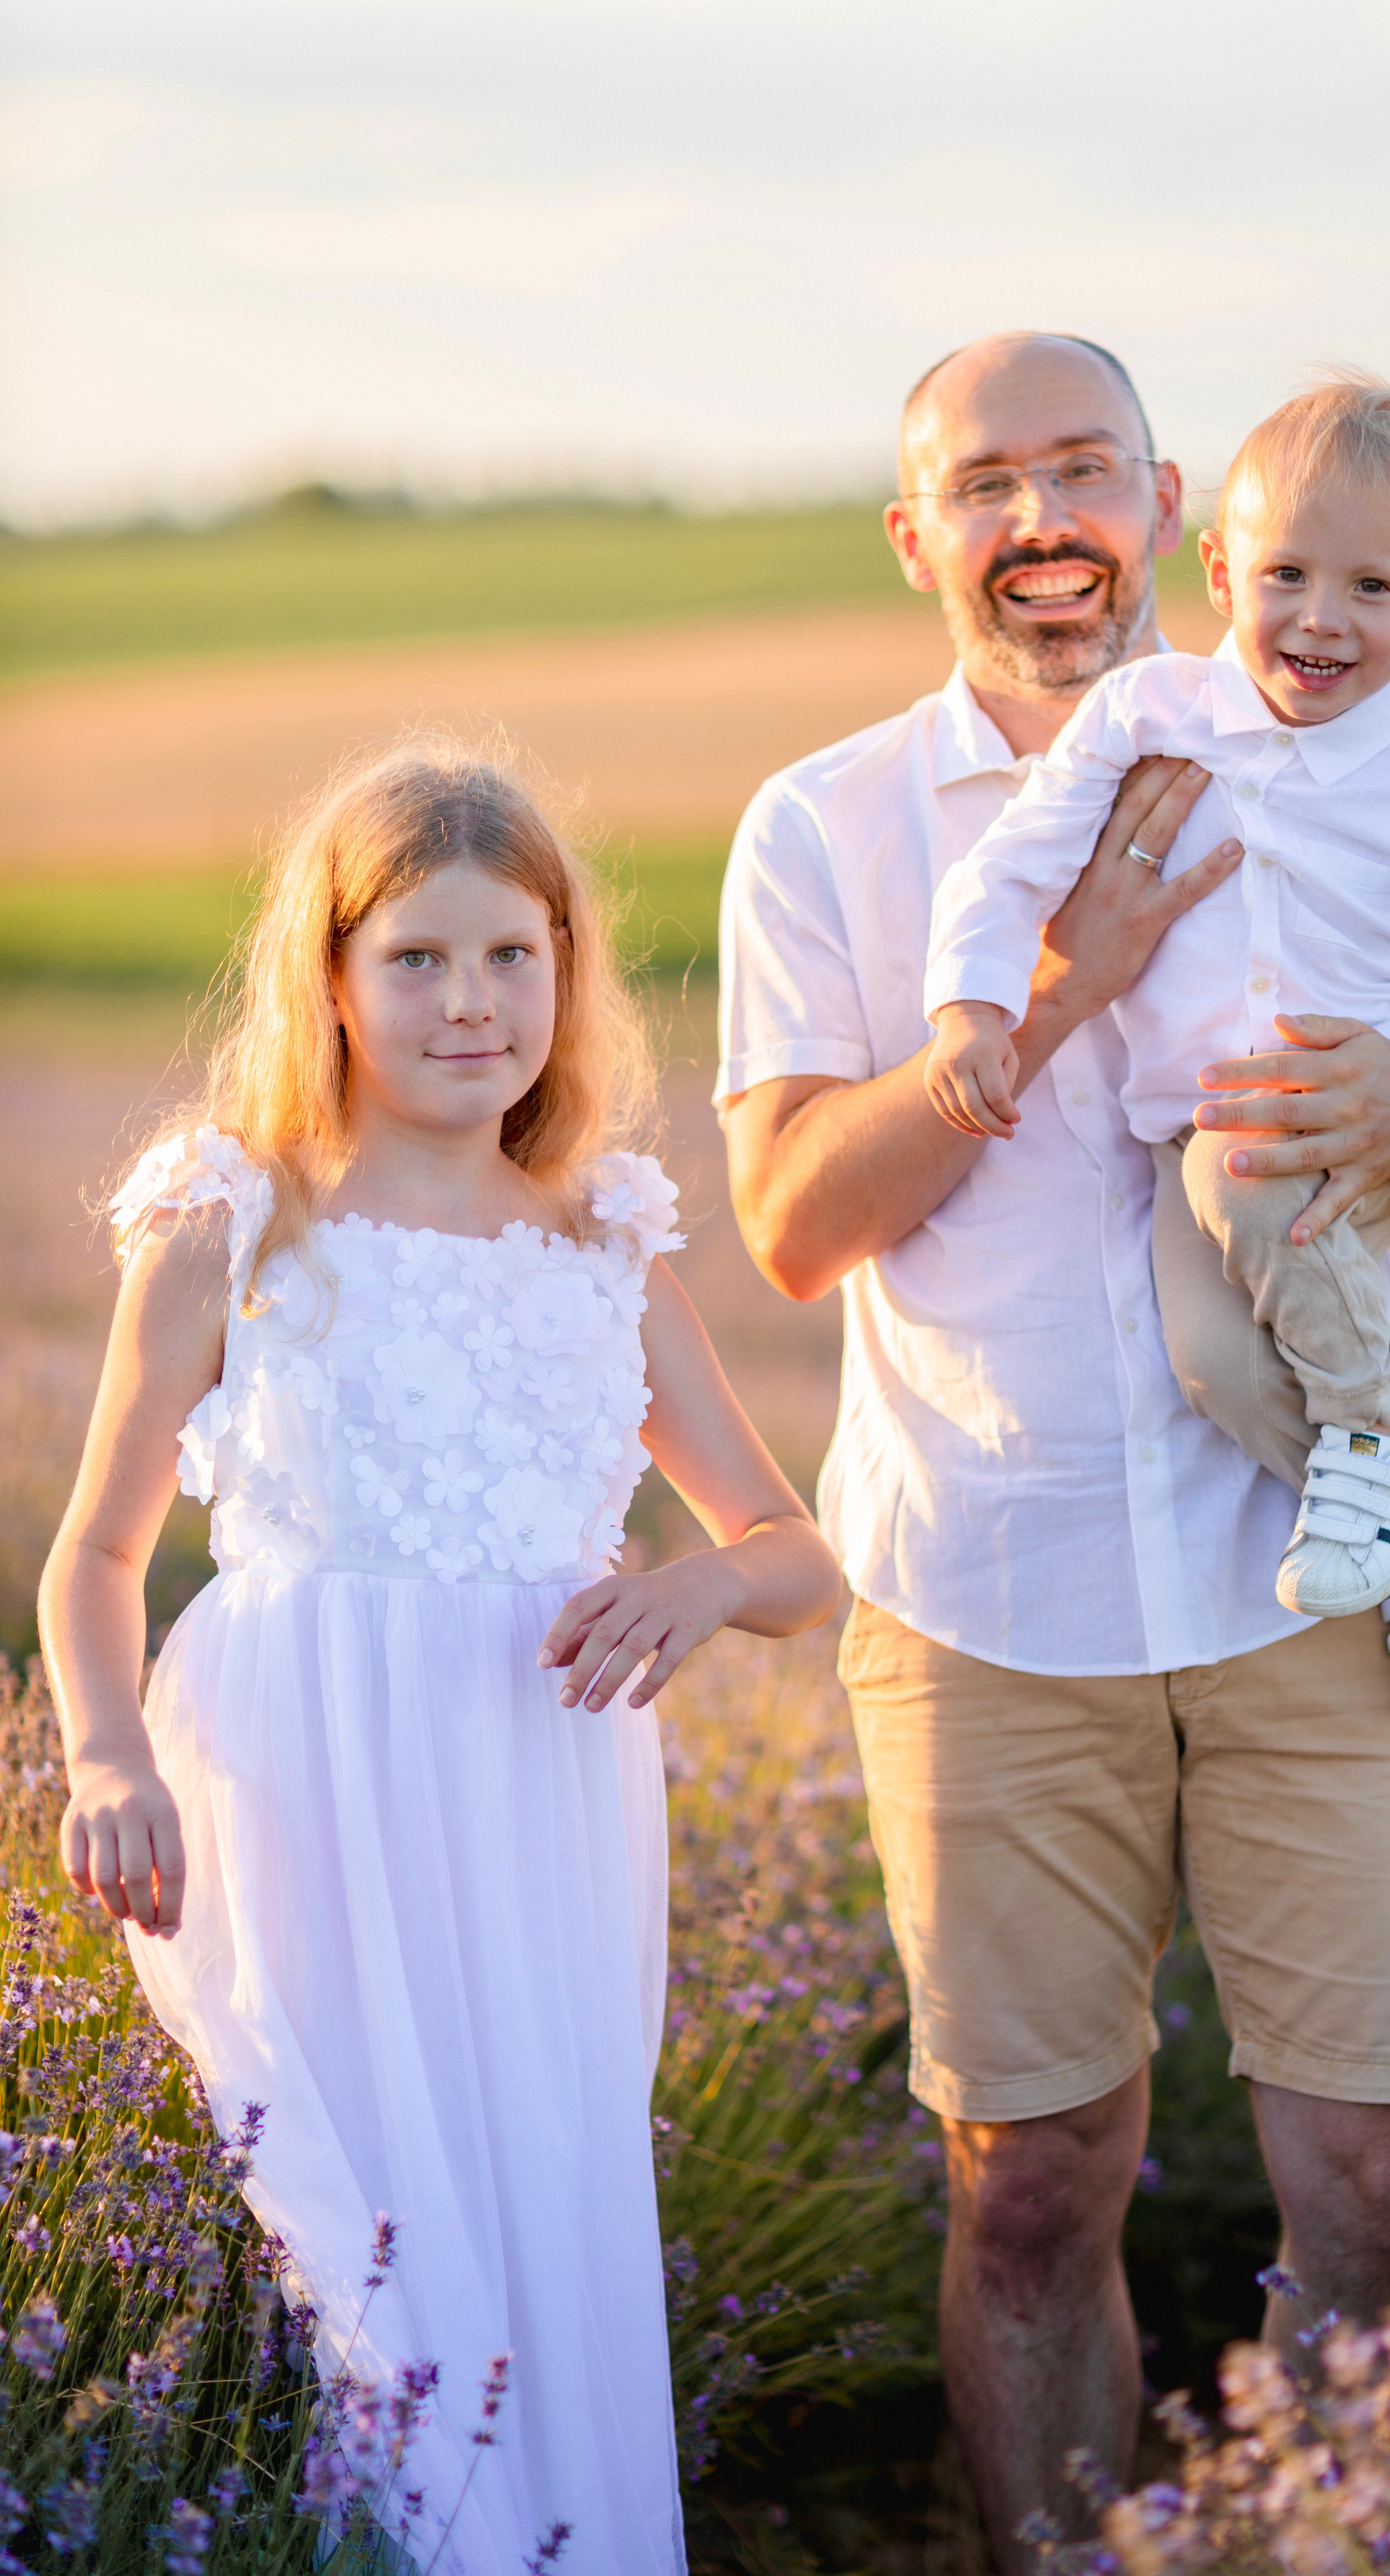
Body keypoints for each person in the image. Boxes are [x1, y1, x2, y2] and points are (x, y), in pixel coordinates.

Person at [716, 333, 1390, 2569]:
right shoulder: (824, 828)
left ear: (1167, 505)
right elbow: (790, 1230)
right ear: (916, 538)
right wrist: (1066, 977)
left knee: (1387, 2174)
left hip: (1317, 1575)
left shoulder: (1343, 760)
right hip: (984, 1593)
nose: (1041, 517)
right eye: (986, 481)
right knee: (1032, 2184)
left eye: (1082, 465)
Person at [39, 741, 841, 2576]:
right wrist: (105, 1754)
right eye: (416, 958)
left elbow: (800, 1556)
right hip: (302, 1785)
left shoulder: (602, 1247)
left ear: (565, 976)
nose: (469, 1001)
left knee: (536, 2199)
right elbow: (94, 1552)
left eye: (510, 957)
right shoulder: (237, 1230)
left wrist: (707, 1591)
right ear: (330, 979)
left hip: (541, 1799)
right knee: (363, 2237)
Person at [923, 370, 1390, 1711]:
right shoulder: (1146, 713)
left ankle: (1375, 1442)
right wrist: (971, 1005)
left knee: (1238, 1175)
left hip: (1354, 1122)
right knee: (1215, 1367)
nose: (1320, 617)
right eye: (1286, 574)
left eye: (1371, 588)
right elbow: (1009, 866)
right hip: (1197, 1131)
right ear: (1222, 573)